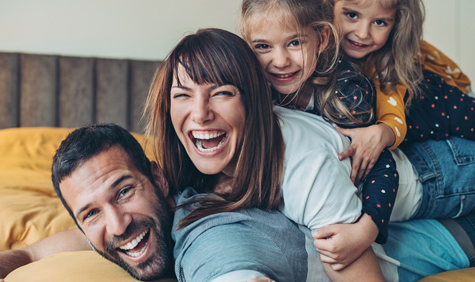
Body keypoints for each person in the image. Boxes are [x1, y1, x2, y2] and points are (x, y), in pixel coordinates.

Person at [145, 28, 475, 278]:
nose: (200, 113)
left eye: (222, 93)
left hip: (440, 174)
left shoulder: (304, 162)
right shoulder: (195, 166)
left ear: (255, 100)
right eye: (183, 95)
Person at [0, 122, 472, 282]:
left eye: (124, 191)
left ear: (159, 180)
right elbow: (34, 251)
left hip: (449, 227)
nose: (118, 223)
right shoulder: (121, 229)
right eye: (92, 213)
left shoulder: (201, 234)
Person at [239, 0, 398, 252]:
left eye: (294, 43)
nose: (280, 60)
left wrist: (366, 231)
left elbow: (382, 165)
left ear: (322, 38)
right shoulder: (255, 89)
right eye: (263, 46)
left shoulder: (348, 92)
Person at [324, 0, 475, 152]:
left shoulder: (387, 62)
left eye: (379, 22)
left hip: (450, 89)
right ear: (331, 4)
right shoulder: (321, 43)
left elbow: (393, 116)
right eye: (352, 15)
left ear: (397, 24)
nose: (362, 33)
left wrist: (383, 132)